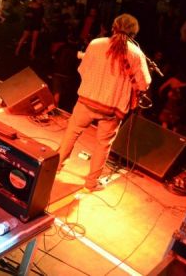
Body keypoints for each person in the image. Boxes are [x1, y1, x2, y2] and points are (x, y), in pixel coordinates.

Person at [57, 14, 152, 191]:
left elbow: (82, 69)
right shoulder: (137, 54)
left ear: (113, 27)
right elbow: (144, 84)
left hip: (87, 100)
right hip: (112, 108)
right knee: (102, 145)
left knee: (71, 134)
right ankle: (91, 183)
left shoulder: (96, 44)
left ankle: (54, 167)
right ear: (134, 34)